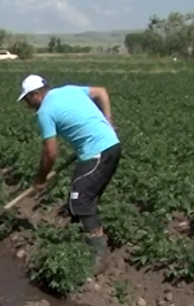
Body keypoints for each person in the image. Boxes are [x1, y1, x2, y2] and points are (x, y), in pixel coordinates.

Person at [17, 74, 121, 272]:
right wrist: (108, 121)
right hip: (111, 146)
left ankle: (99, 255)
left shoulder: (45, 112)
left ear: (36, 94)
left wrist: (40, 178)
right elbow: (101, 92)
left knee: (80, 199)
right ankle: (79, 240)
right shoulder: (68, 90)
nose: (27, 105)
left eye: (27, 100)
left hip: (97, 152)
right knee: (80, 193)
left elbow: (50, 152)